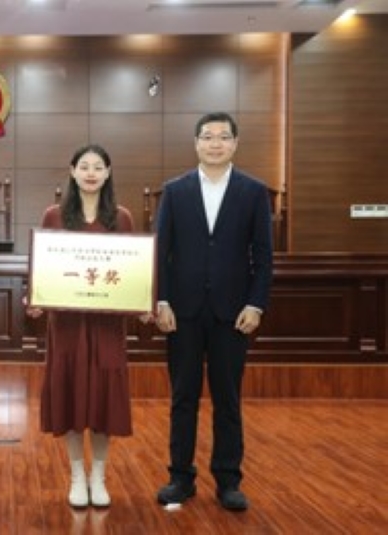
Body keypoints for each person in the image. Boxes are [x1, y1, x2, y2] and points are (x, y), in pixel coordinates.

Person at [153, 111, 273, 511]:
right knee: (183, 398)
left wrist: (256, 303)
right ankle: (180, 477)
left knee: (228, 399)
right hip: (182, 312)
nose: (215, 143)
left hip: (233, 313)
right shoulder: (175, 191)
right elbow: (161, 252)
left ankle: (228, 480)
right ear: (196, 143)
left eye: (223, 137)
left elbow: (264, 256)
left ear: (235, 143)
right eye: (208, 136)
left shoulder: (254, 191)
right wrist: (162, 300)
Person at [26, 144, 135, 508]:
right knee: (70, 392)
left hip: (107, 325)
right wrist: (36, 297)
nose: (91, 173)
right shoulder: (54, 216)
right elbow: (42, 269)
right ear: (72, 171)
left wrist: (142, 300)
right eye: (84, 166)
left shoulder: (122, 218)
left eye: (98, 167)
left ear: (108, 173)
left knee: (105, 396)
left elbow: (133, 272)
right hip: (68, 325)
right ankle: (76, 474)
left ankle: (98, 476)